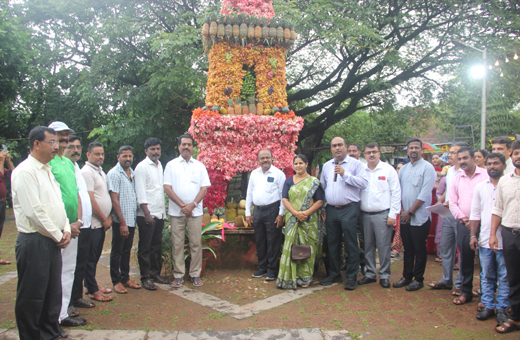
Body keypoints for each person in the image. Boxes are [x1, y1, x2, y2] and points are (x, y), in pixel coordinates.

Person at [12, 126, 71, 340]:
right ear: (36, 144)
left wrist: (65, 228)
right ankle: (31, 335)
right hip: (34, 241)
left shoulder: (46, 170)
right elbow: (35, 212)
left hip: (53, 240)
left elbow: (59, 204)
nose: (56, 146)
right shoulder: (25, 171)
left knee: (52, 292)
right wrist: (58, 234)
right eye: (52, 142)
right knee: (32, 295)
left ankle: (50, 332)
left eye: (57, 142)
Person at [47, 121, 87, 331]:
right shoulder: (48, 163)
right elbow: (50, 198)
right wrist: (65, 225)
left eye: (66, 137)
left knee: (68, 271)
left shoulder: (68, 163)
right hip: (57, 229)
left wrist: (78, 221)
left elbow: (76, 195)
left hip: (73, 228)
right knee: (54, 273)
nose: (63, 141)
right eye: (58, 137)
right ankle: (51, 319)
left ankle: (62, 314)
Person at [320, 137, 368, 290]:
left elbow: (364, 183)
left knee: (350, 243)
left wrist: (345, 174)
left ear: (346, 147)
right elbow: (323, 186)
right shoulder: (327, 165)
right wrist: (322, 208)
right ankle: (334, 273)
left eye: (340, 145)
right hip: (332, 209)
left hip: (349, 208)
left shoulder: (356, 164)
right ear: (331, 149)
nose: (337, 148)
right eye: (334, 146)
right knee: (332, 243)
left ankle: (352, 276)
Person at [164, 135, 211, 288]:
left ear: (193, 147)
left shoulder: (199, 166)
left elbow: (204, 188)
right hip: (176, 212)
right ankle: (178, 274)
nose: (186, 147)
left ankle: (195, 274)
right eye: (183, 144)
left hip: (195, 212)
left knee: (196, 243)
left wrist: (192, 205)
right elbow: (167, 188)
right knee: (177, 244)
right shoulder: (171, 165)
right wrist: (183, 206)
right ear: (178, 147)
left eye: (189, 144)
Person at [469, 153, 509, 324]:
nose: (492, 166)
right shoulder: (480, 187)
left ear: (504, 166)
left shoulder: (510, 185)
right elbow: (475, 213)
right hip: (485, 237)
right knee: (486, 275)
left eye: (496, 163)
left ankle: (502, 308)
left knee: (505, 275)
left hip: (505, 239)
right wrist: (473, 235)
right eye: (489, 163)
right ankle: (487, 305)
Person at [393, 138, 436, 291]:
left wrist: (410, 211)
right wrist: (404, 212)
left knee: (419, 248)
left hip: (420, 217)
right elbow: (398, 191)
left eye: (417, 147)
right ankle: (406, 276)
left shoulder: (427, 168)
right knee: (408, 248)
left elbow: (424, 194)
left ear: (421, 150)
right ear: (407, 150)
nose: (413, 150)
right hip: (405, 217)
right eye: (411, 147)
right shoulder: (403, 169)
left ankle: (419, 279)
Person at [276, 154, 324, 289]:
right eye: (296, 164)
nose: (298, 166)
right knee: (291, 247)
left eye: (301, 163)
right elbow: (284, 199)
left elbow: (320, 201)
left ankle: (305, 278)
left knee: (308, 247)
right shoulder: (288, 181)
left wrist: (305, 213)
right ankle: (291, 277)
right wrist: (296, 213)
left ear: (306, 164)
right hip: (293, 220)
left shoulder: (313, 181)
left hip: (309, 222)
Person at [449, 147, 489, 305]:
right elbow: (452, 202)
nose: (462, 161)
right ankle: (466, 292)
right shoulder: (457, 179)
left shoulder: (485, 176)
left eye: (465, 158)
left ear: (474, 158)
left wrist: (476, 221)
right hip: (463, 224)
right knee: (465, 259)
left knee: (486, 261)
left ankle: (485, 296)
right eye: (460, 159)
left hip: (484, 224)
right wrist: (464, 218)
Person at [358, 143, 401, 288]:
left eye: (374, 152)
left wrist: (393, 214)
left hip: (383, 214)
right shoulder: (361, 170)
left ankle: (384, 274)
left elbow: (396, 192)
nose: (371, 155)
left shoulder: (388, 170)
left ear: (379, 153)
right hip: (364, 214)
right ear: (364, 155)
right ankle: (370, 273)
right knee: (368, 246)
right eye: (368, 152)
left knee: (383, 246)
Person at [490, 140, 520, 334]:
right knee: (513, 277)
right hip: (510, 233)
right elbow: (497, 209)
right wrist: (493, 234)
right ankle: (516, 318)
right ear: (511, 154)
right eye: (516, 153)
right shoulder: (505, 180)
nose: (518, 156)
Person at [429, 143, 466, 294]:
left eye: (453, 153)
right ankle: (446, 279)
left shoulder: (465, 172)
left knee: (462, 250)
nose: (449, 155)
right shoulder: (450, 171)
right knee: (445, 247)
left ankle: (461, 282)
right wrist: (440, 203)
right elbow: (449, 190)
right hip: (447, 214)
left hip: (461, 215)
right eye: (450, 152)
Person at [64, 136, 95, 311]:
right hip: (72, 225)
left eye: (78, 146)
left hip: (85, 224)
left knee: (81, 263)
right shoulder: (64, 167)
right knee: (69, 266)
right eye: (71, 147)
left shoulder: (76, 168)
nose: (76, 150)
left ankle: (76, 297)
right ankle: (66, 303)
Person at [245, 149, 285, 281]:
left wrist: (281, 214)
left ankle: (272, 270)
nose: (265, 160)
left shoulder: (278, 174)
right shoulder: (254, 174)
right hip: (257, 211)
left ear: (272, 158)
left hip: (272, 210)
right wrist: (248, 213)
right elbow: (249, 193)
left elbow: (283, 196)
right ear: (258, 160)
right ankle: (262, 267)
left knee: (273, 241)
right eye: (262, 158)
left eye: (268, 157)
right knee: (260, 240)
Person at [135, 138, 169, 291]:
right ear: (146, 151)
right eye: (152, 149)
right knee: (145, 247)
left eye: (158, 149)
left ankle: (155, 274)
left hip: (159, 213)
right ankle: (145, 277)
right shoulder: (141, 167)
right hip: (147, 215)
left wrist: (162, 213)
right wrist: (146, 213)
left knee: (156, 246)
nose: (156, 152)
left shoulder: (159, 165)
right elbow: (140, 191)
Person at [82, 142, 113, 302]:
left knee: (95, 255)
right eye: (96, 154)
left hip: (101, 222)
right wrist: (103, 218)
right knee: (91, 257)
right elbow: (90, 199)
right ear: (88, 155)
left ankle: (91, 285)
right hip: (93, 223)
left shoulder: (100, 171)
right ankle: (92, 290)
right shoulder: (87, 172)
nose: (100, 157)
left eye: (102, 154)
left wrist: (108, 217)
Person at [107, 145, 140, 294]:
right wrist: (122, 223)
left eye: (130, 156)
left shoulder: (132, 173)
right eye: (124, 156)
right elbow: (114, 200)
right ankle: (116, 281)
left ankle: (125, 278)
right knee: (117, 250)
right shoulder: (114, 174)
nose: (128, 159)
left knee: (126, 250)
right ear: (118, 157)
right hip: (121, 221)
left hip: (131, 219)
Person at [0, 147, 14, 265]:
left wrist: (8, 161)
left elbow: (14, 174)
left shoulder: (2, 166)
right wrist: (1, 161)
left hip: (2, 202)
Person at [391, 161, 406, 259]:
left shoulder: (404, 180)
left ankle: (396, 249)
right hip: (392, 208)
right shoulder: (392, 178)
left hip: (403, 209)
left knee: (399, 230)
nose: (399, 170)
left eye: (401, 168)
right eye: (398, 168)